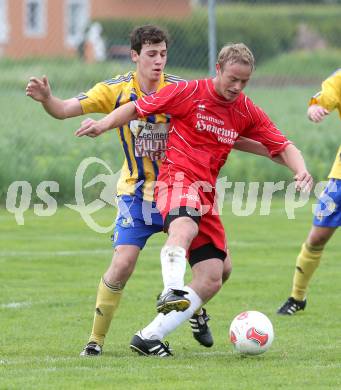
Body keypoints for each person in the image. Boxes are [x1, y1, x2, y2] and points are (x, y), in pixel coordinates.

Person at [26, 26, 258, 356]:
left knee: (222, 268)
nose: (159, 61)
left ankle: (192, 307)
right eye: (151, 54)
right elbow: (64, 109)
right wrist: (48, 99)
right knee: (123, 263)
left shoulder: (182, 89)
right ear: (135, 55)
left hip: (182, 188)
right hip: (137, 194)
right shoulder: (116, 90)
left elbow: (224, 130)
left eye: (163, 54)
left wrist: (273, 150)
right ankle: (95, 342)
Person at [75, 42, 313, 356]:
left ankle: (148, 337)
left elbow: (281, 144)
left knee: (216, 275)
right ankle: (172, 288)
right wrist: (103, 124)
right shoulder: (189, 92)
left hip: (206, 193)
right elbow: (137, 107)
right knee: (183, 226)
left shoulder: (245, 109)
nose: (237, 87)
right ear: (218, 69)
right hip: (175, 178)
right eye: (232, 79)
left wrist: (301, 170)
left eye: (244, 81)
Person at [277, 69, 341, 315]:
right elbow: (321, 96)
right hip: (339, 178)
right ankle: (297, 298)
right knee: (317, 238)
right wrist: (314, 107)